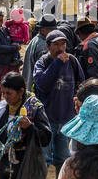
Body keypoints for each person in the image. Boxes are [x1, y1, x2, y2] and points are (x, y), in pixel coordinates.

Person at [33, 30, 84, 171]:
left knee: (63, 161)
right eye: (56, 44)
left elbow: (81, 83)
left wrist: (77, 102)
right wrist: (56, 64)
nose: (60, 48)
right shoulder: (42, 63)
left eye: (63, 44)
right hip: (46, 121)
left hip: (67, 120)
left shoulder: (72, 61)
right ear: (48, 47)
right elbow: (42, 84)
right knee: (44, 160)